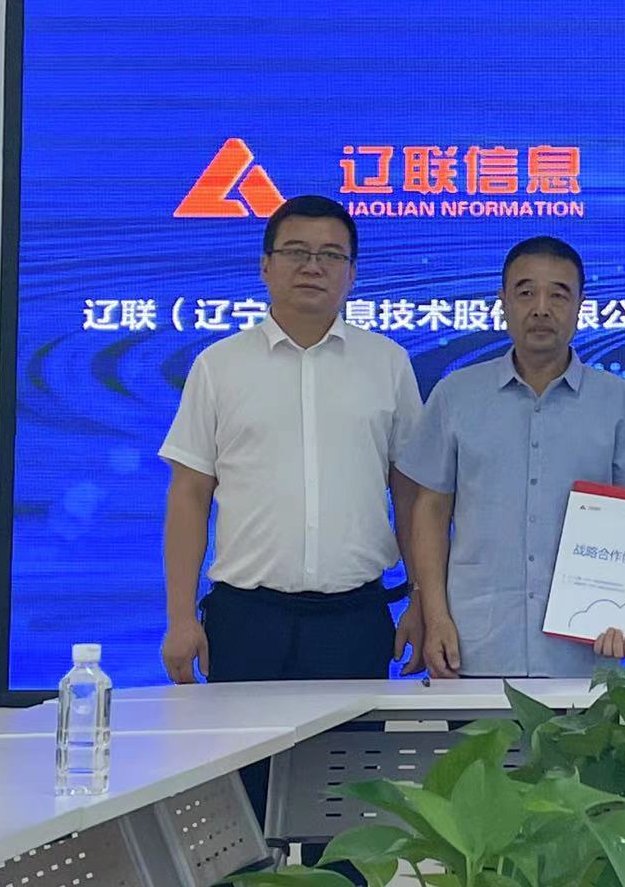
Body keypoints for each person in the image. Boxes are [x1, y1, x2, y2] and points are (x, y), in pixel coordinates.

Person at [158, 194, 427, 847]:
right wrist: (180, 619)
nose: (314, 266)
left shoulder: (387, 364)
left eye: (331, 255)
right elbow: (189, 495)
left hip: (354, 620)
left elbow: (413, 495)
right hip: (246, 620)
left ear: (352, 272)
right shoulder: (219, 366)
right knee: (241, 822)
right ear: (266, 266)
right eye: (297, 252)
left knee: (348, 818)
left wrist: (422, 600)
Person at [399, 236, 625, 678]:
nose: (541, 309)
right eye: (525, 293)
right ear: (503, 301)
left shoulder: (619, 401)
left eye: (559, 295)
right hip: (475, 645)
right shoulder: (455, 395)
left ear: (580, 305)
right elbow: (431, 510)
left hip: (585, 653)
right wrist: (436, 615)